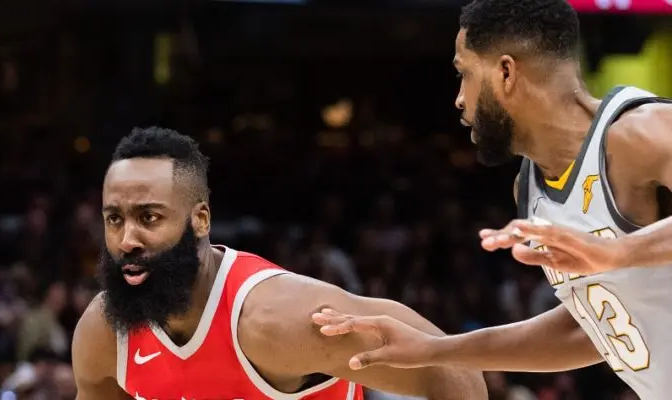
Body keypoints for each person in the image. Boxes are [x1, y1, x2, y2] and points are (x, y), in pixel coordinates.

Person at [312, 0, 672, 398]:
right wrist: (434, 349)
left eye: (464, 73)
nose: (459, 99)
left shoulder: (641, 133)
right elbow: (590, 327)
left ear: (505, 71)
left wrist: (616, 254)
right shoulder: (530, 190)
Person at [71, 127, 486, 399]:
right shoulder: (104, 334)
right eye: (114, 219)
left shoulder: (276, 320)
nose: (127, 240)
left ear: (200, 219)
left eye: (149, 218)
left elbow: (459, 378)